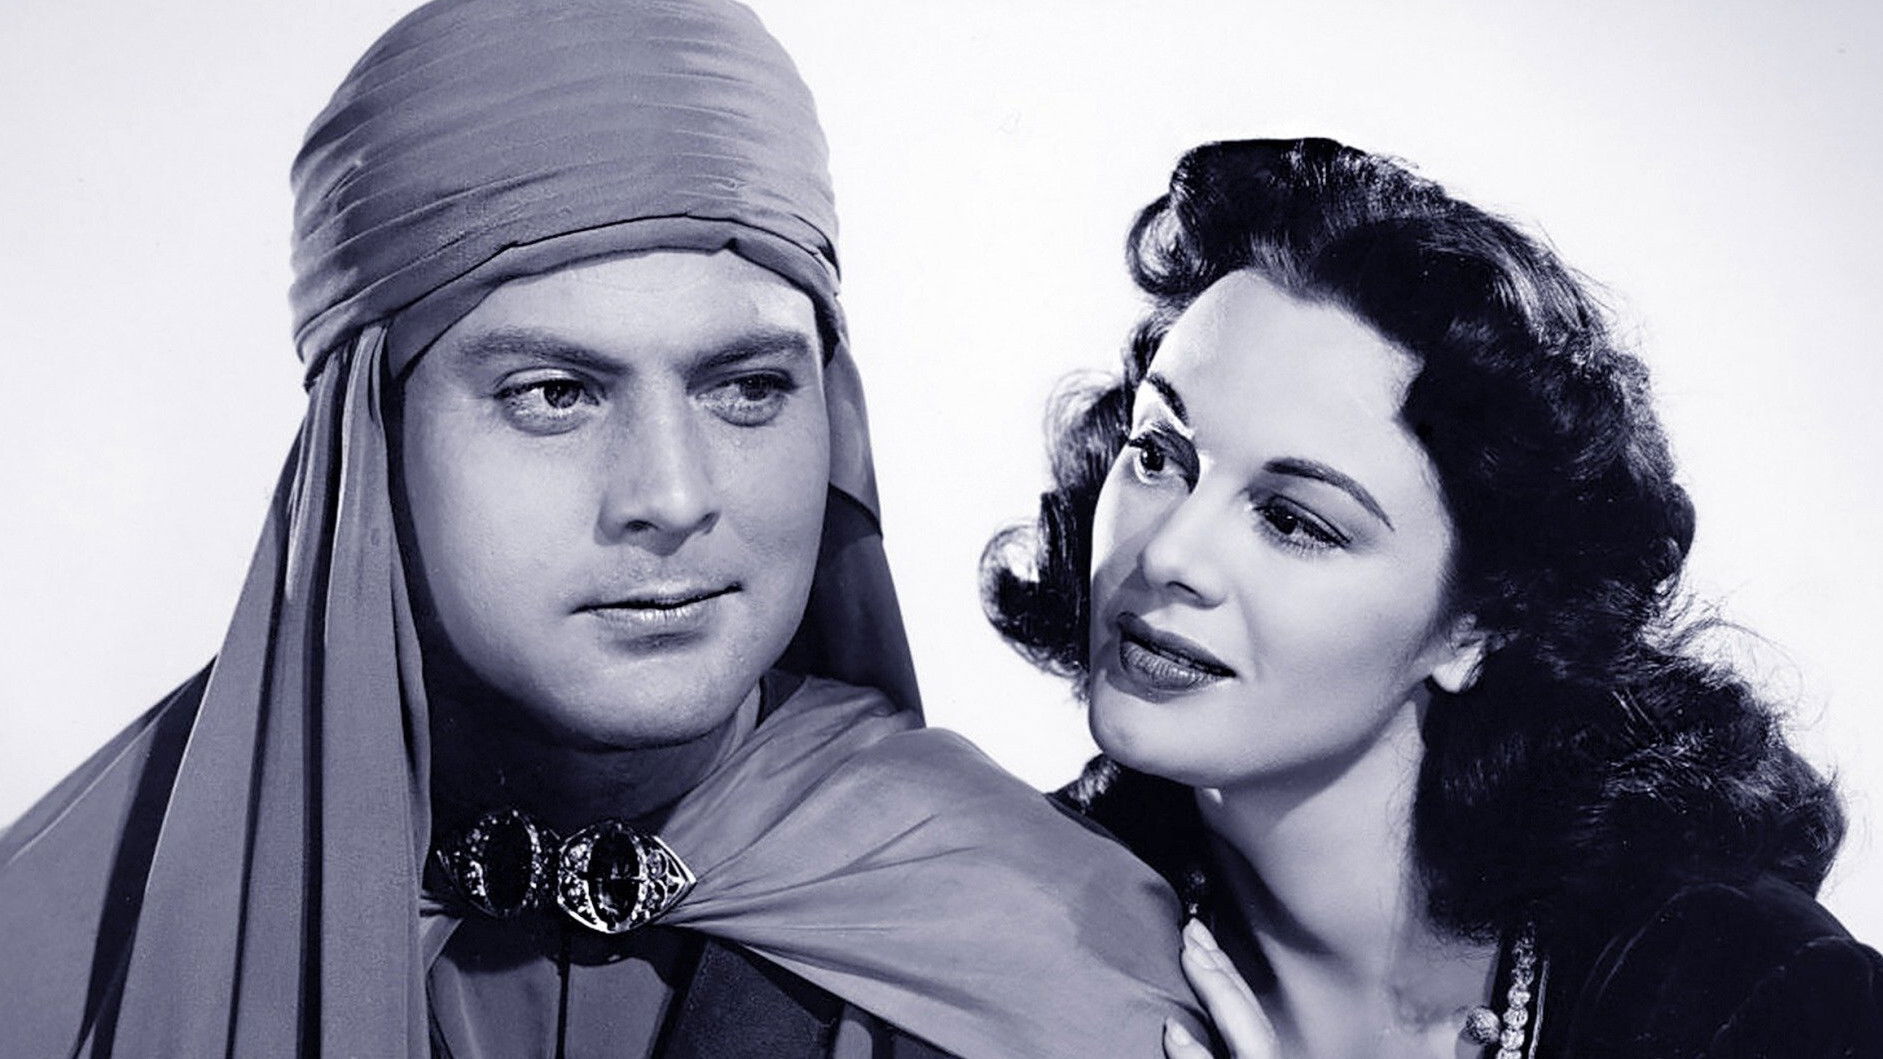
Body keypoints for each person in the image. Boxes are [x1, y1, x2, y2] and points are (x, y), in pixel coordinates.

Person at [0, 1, 1204, 1055]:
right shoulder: (60, 943)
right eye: (554, 395)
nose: (671, 496)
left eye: (748, 388)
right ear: (366, 442)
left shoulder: (1070, 955)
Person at [983, 137, 1883, 1057]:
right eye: (1157, 454)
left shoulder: (1746, 991)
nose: (1169, 551)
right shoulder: (1000, 925)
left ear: (1478, 623)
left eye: (1294, 520)